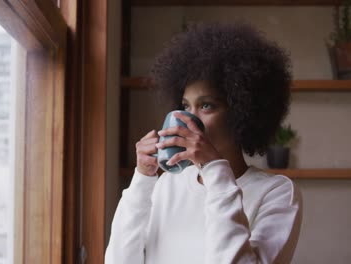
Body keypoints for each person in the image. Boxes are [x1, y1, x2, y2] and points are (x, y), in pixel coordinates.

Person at [105, 22, 302, 264]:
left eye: (207, 105)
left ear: (243, 112)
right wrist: (142, 179)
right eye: (186, 106)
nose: (190, 118)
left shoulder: (277, 193)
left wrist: (215, 170)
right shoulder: (167, 185)